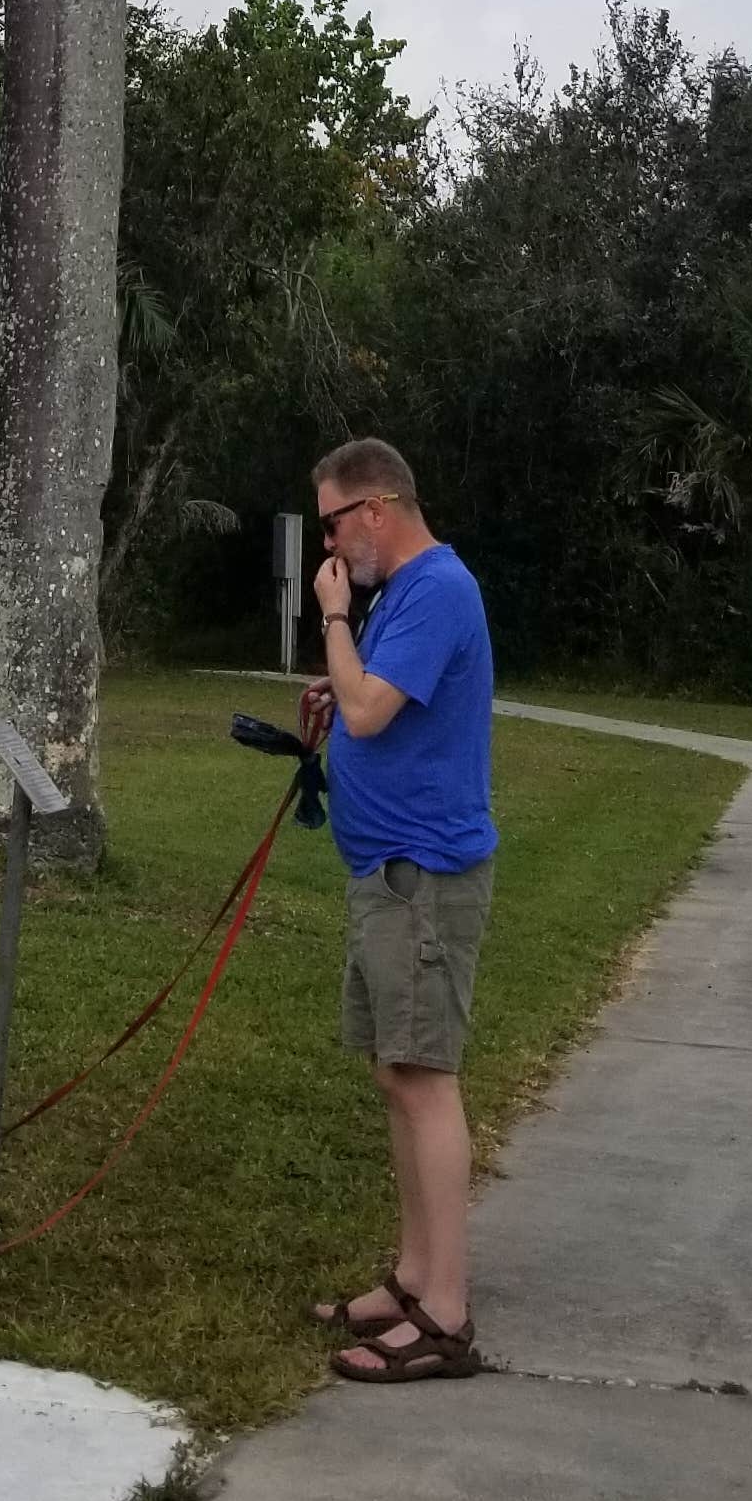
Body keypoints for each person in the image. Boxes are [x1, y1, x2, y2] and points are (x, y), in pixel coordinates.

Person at [296, 434, 495, 1383]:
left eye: (333, 523)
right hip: (385, 872)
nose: (330, 548)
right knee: (394, 1075)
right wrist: (336, 684)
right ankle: (413, 1281)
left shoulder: (434, 589)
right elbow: (372, 703)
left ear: (375, 507)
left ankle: (446, 1315)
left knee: (424, 1079)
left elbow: (372, 710)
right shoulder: (404, 598)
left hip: (424, 877)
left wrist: (333, 623)